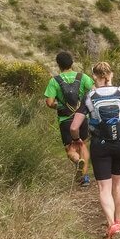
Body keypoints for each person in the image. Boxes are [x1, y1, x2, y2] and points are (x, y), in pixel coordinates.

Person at [70, 62, 120, 239]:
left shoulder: (90, 96)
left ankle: (112, 225)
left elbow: (73, 127)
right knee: (118, 183)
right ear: (111, 74)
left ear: (95, 76)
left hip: (99, 144)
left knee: (104, 187)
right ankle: (118, 220)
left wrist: (78, 139)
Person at [44, 51, 95, 187]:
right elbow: (94, 93)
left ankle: (77, 161)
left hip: (65, 120)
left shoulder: (54, 81)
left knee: (70, 149)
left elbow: (49, 102)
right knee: (82, 144)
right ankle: (84, 178)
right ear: (72, 63)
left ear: (58, 65)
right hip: (83, 118)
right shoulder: (83, 77)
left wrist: (60, 105)